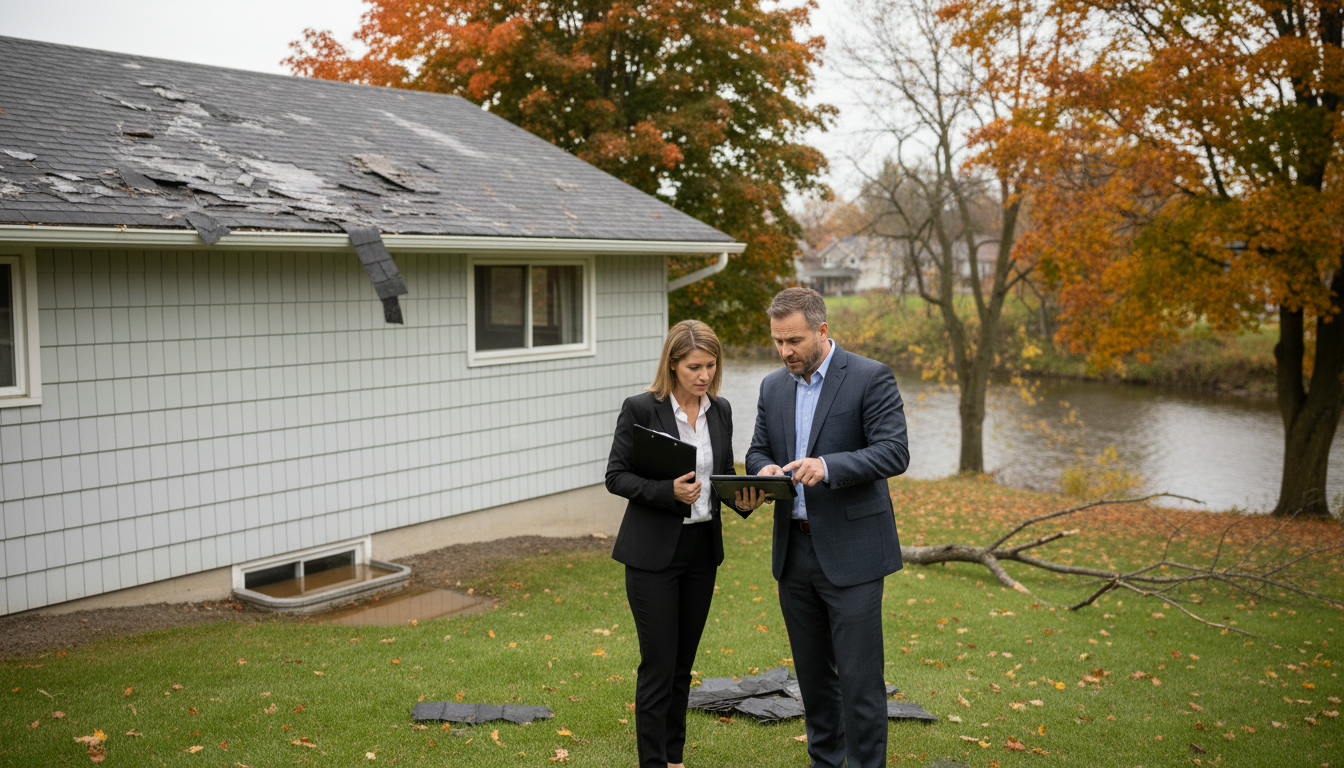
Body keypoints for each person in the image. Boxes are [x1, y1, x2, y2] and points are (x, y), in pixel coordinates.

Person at [744, 287, 909, 768]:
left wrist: (829, 465)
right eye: (777, 341)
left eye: (793, 340)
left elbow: (894, 451)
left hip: (854, 554)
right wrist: (763, 471)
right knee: (815, 681)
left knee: (859, 681)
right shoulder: (773, 386)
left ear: (821, 330)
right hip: (793, 554)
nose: (785, 351)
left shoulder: (869, 376)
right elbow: (757, 450)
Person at [605, 319, 766, 768]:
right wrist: (666, 492)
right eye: (695, 366)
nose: (704, 376)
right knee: (658, 666)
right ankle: (652, 762)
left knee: (682, 665)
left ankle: (673, 758)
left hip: (701, 553)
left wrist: (747, 498)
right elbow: (616, 477)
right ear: (673, 364)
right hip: (652, 554)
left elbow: (722, 479)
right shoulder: (640, 408)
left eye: (711, 366)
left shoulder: (722, 409)